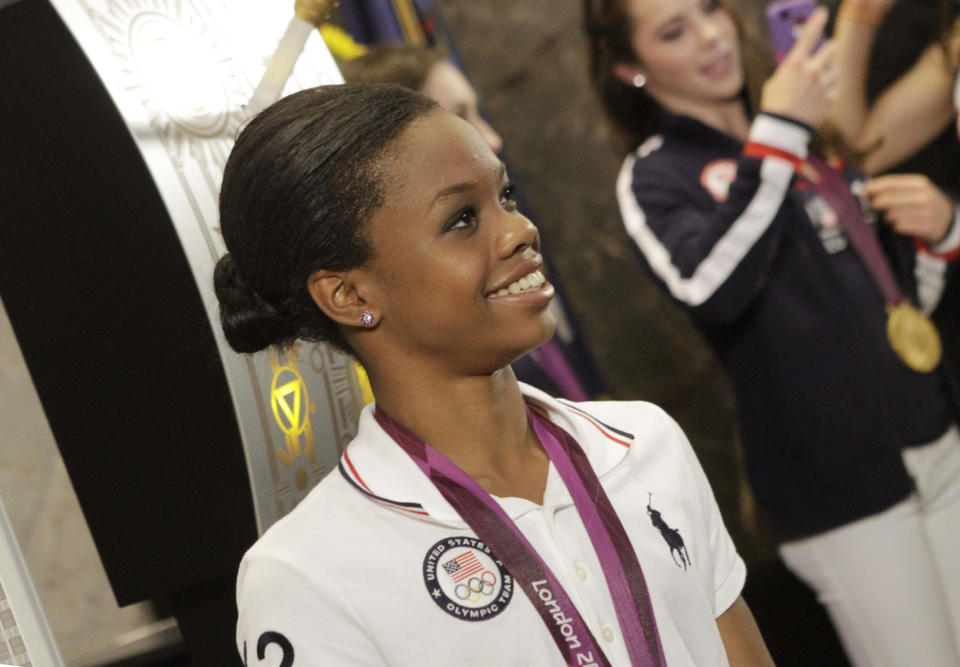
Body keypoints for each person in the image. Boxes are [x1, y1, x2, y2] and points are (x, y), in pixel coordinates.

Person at [217, 83, 773, 665]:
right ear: (349, 293)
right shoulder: (305, 573)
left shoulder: (643, 444)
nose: (520, 230)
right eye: (462, 219)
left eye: (505, 197)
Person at [584, 0, 960, 664]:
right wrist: (780, 132)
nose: (708, 36)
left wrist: (940, 238)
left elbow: (896, 303)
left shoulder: (803, 136)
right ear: (629, 68)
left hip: (936, 445)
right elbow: (710, 284)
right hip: (841, 494)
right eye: (674, 31)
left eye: (709, 10)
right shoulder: (655, 174)